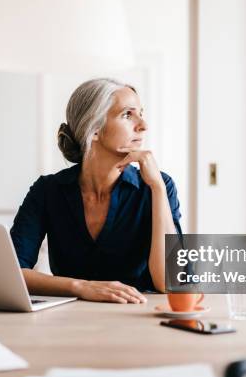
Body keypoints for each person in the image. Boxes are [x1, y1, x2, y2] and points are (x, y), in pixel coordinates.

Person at [10, 78, 182, 304]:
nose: (143, 125)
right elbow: (13, 273)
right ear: (95, 130)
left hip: (140, 319)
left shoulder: (158, 186)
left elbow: (171, 282)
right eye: (128, 115)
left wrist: (158, 189)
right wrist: (80, 287)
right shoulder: (47, 191)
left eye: (141, 113)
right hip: (68, 323)